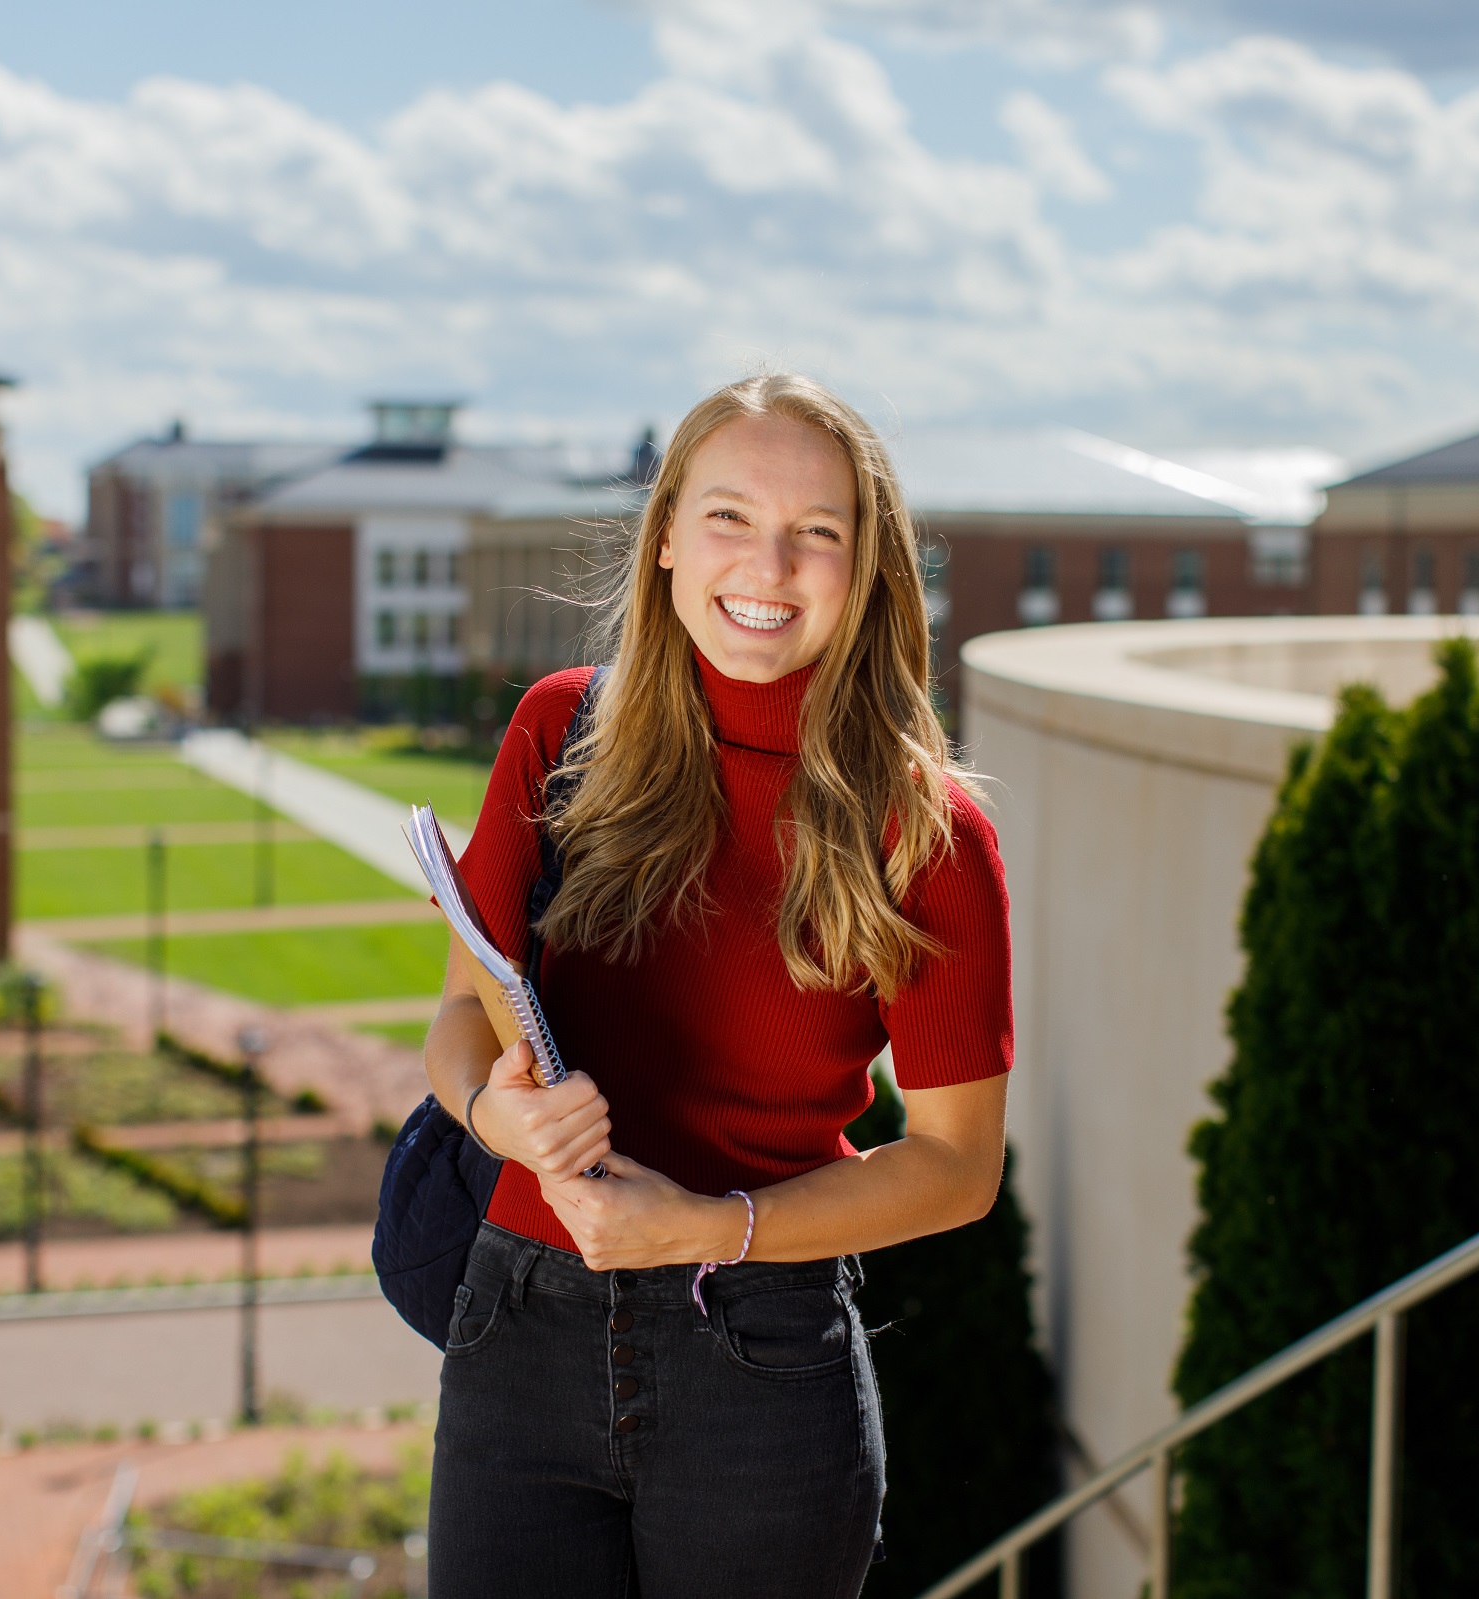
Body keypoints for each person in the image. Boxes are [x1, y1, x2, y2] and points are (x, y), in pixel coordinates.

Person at [423, 373, 1013, 1597]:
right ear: (668, 544)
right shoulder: (557, 733)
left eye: (820, 533)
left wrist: (705, 1227)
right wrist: (495, 1116)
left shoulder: (929, 835)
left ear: (868, 572)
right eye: (731, 517)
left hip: (758, 1352)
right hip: (517, 1328)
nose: (770, 563)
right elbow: (452, 1019)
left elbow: (958, 1170)